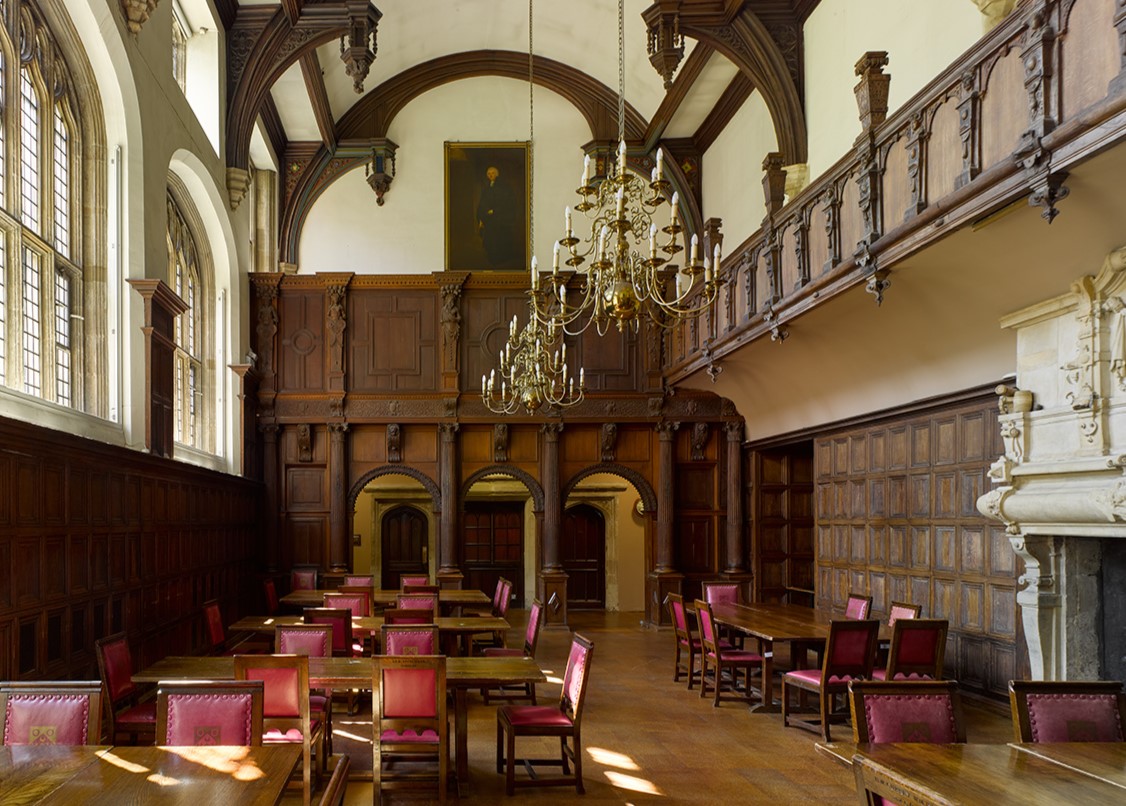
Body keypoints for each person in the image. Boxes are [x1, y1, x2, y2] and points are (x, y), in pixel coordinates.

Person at [476, 165, 519, 268]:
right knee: (490, 239)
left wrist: (494, 211)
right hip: (489, 220)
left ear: (497, 174)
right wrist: (482, 217)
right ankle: (493, 258)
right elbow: (482, 203)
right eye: (489, 174)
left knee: (499, 239)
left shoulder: (503, 187)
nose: (491, 175)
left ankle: (500, 259)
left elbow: (507, 203)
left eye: (493, 173)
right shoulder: (487, 188)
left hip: (500, 219)